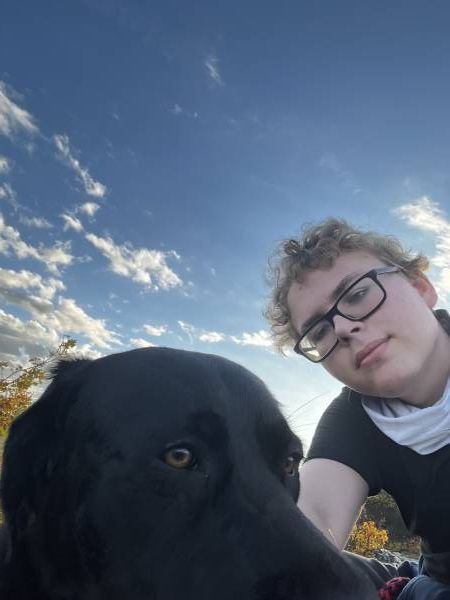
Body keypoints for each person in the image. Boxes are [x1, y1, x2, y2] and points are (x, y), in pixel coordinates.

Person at [265, 218, 450, 599]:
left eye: (358, 294)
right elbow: (310, 524)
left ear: (421, 287)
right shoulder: (352, 420)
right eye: (319, 331)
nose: (343, 329)